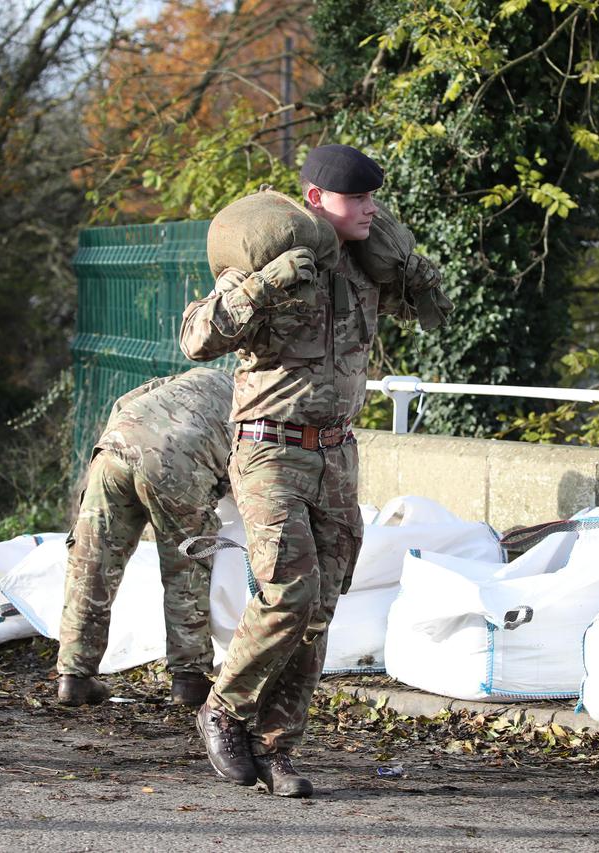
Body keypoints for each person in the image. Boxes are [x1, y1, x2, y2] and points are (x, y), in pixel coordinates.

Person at [179, 144, 451, 797]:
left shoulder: (365, 269)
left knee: (320, 608)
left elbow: (431, 315)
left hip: (336, 450)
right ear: (314, 200)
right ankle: (223, 706)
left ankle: (276, 749)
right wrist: (266, 284)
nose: (369, 208)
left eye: (372, 197)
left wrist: (419, 277)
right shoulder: (271, 257)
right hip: (269, 445)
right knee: (289, 590)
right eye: (355, 198)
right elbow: (196, 337)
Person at [56, 367, 235, 708]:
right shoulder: (257, 403)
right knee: (186, 567)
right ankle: (188, 680)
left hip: (115, 447)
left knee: (92, 562)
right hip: (179, 461)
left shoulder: (193, 377)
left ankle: (74, 677)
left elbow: (126, 402)